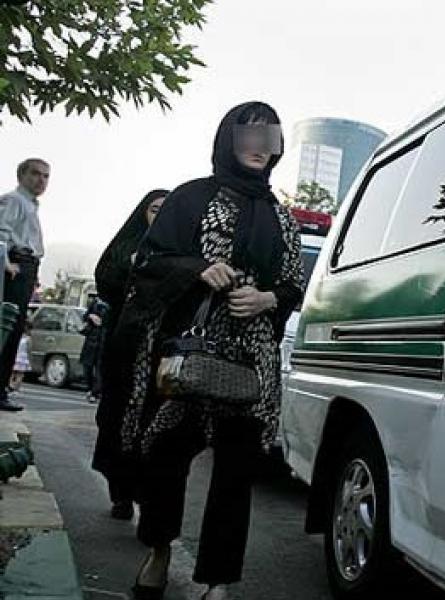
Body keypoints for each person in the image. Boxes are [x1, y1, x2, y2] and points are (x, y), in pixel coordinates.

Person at [115, 102, 304, 600]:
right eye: (249, 136)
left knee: (236, 472)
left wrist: (266, 299)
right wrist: (197, 269)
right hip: (190, 350)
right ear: (228, 140)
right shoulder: (190, 197)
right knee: (166, 456)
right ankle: (158, 552)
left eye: (269, 139)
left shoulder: (281, 216)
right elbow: (148, 263)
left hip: (251, 360)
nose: (260, 148)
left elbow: (292, 285)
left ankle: (218, 581)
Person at [92, 189, 170, 520]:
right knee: (116, 417)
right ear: (143, 213)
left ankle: (146, 496)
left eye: (167, 211)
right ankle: (120, 492)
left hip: (160, 352)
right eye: (154, 209)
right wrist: (134, 268)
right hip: (124, 346)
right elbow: (106, 280)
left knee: (155, 423)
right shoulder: (127, 248)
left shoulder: (181, 250)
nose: (160, 216)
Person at [0, 158, 50, 412]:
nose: (41, 180)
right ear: (21, 175)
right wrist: (7, 263)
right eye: (35, 174)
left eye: (46, 176)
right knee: (7, 328)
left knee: (14, 328)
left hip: (26, 266)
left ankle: (1, 388)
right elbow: (1, 233)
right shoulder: (14, 201)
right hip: (16, 265)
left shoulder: (30, 205)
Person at [80, 294, 108, 403]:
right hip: (91, 339)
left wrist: (102, 322)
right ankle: (90, 389)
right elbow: (85, 316)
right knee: (87, 366)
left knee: (99, 369)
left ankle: (95, 392)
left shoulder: (112, 303)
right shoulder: (95, 302)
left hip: (103, 340)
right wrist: (91, 316)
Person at [9, 320, 32, 392]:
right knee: (20, 374)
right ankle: (17, 387)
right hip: (23, 357)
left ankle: (10, 384)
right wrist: (29, 360)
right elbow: (29, 350)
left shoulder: (18, 336)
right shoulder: (28, 338)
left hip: (16, 355)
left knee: (12, 372)